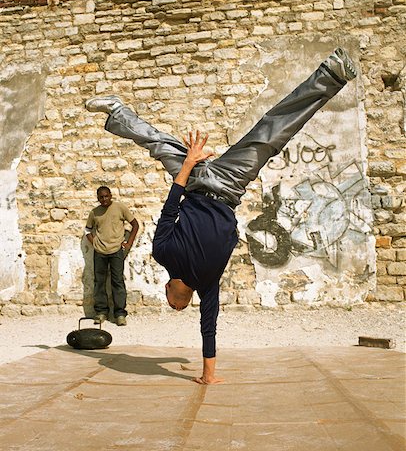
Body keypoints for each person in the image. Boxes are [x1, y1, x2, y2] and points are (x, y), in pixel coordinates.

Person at [85, 47, 357, 382]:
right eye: (178, 308)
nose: (175, 305)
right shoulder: (207, 285)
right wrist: (208, 375)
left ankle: (117, 111)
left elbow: (172, 205)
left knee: (157, 144)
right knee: (272, 133)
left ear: (169, 289)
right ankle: (332, 75)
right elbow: (208, 329)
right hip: (230, 184)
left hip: (195, 180)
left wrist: (188, 164)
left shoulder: (163, 254)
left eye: (172, 304)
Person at [85, 186, 139, 326]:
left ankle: (120, 314)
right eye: (101, 197)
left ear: (110, 195)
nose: (104, 199)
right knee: (99, 282)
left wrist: (129, 243)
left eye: (106, 196)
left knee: (117, 282)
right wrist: (94, 243)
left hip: (116, 251)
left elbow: (135, 224)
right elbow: (87, 230)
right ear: (98, 198)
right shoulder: (94, 213)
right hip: (100, 252)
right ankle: (101, 312)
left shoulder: (120, 208)